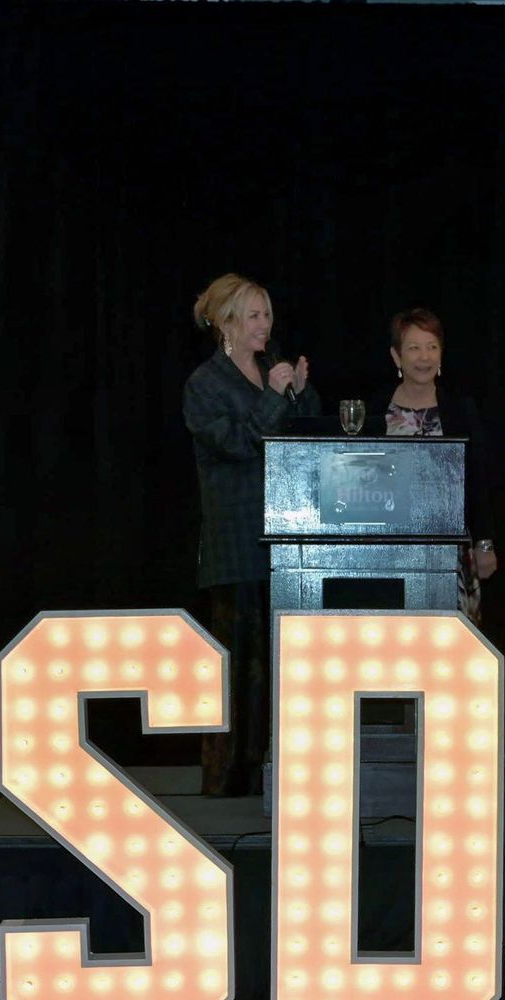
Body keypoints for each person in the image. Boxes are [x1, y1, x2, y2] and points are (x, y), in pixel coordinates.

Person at [183, 273, 320, 796]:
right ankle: (228, 780)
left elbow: (306, 434)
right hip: (236, 539)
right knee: (239, 662)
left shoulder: (271, 370)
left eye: (268, 314)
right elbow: (238, 444)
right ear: (227, 323)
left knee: (286, 660)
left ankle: (283, 770)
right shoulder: (205, 384)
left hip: (287, 531)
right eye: (255, 315)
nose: (266, 325)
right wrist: (275, 395)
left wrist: (300, 393)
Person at [374, 307, 499, 620]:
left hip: (452, 550)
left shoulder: (461, 409)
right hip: (389, 551)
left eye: (432, 347)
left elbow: (478, 478)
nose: (424, 357)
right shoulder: (375, 409)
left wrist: (484, 543)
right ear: (396, 356)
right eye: (414, 348)